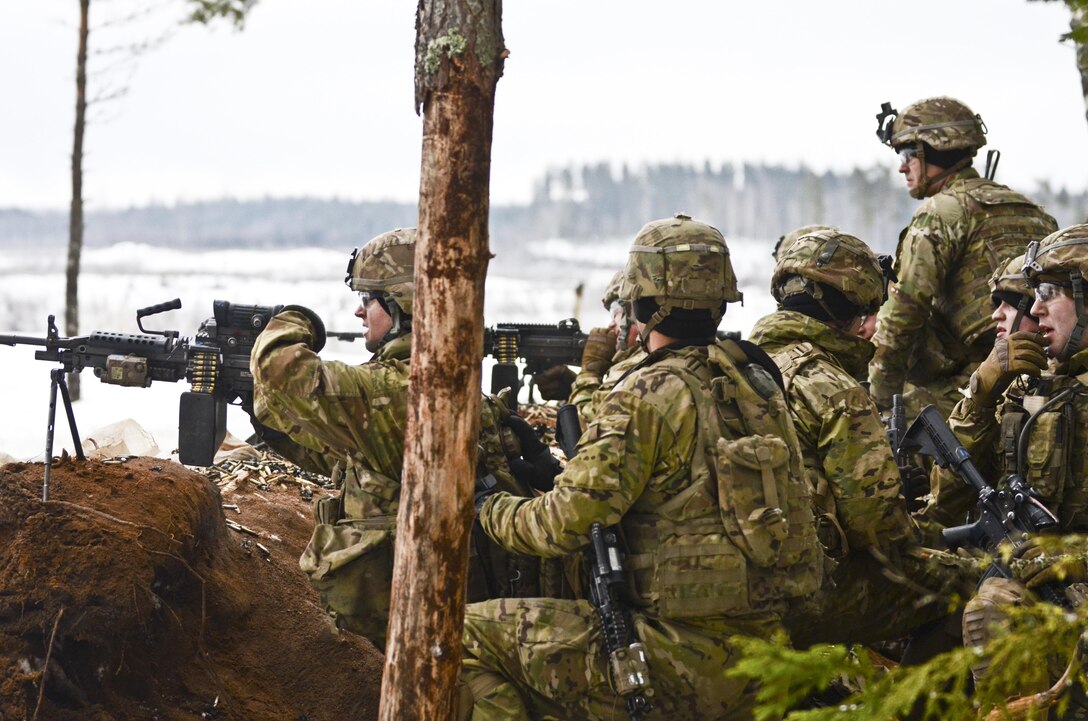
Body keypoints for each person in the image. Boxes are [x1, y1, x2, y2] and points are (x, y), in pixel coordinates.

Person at [458, 214, 824, 720]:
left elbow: (563, 524)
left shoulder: (647, 394)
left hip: (676, 661)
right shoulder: (755, 379)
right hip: (768, 649)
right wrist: (545, 465)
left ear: (643, 303)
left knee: (455, 637)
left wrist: (487, 505)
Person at [250, 227, 561, 648]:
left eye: (368, 299)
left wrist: (295, 318)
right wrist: (266, 414)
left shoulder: (404, 391)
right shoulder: (441, 381)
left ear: (403, 306)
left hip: (418, 618)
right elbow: (351, 459)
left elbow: (280, 367)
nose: (360, 313)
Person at [750, 227, 976, 654]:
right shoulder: (834, 388)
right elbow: (881, 533)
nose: (873, 326)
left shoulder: (741, 366)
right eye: (869, 310)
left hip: (741, 586)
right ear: (849, 307)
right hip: (803, 596)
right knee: (968, 585)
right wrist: (943, 548)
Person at [940, 225, 1088, 693]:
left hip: (1063, 583)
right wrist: (980, 396)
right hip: (1027, 571)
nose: (1036, 307)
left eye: (1050, 293)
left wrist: (1072, 559)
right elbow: (944, 494)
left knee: (992, 609)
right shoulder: (1034, 389)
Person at [869, 96, 1058, 418]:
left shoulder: (943, 211)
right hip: (1039, 372)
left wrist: (881, 399)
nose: (902, 166)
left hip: (970, 380)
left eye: (907, 154)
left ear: (930, 150)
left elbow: (903, 311)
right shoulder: (1034, 212)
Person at [567, 269, 645, 425]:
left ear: (636, 315)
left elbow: (580, 427)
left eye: (616, 313)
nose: (611, 324)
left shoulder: (637, 366)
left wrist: (589, 372)